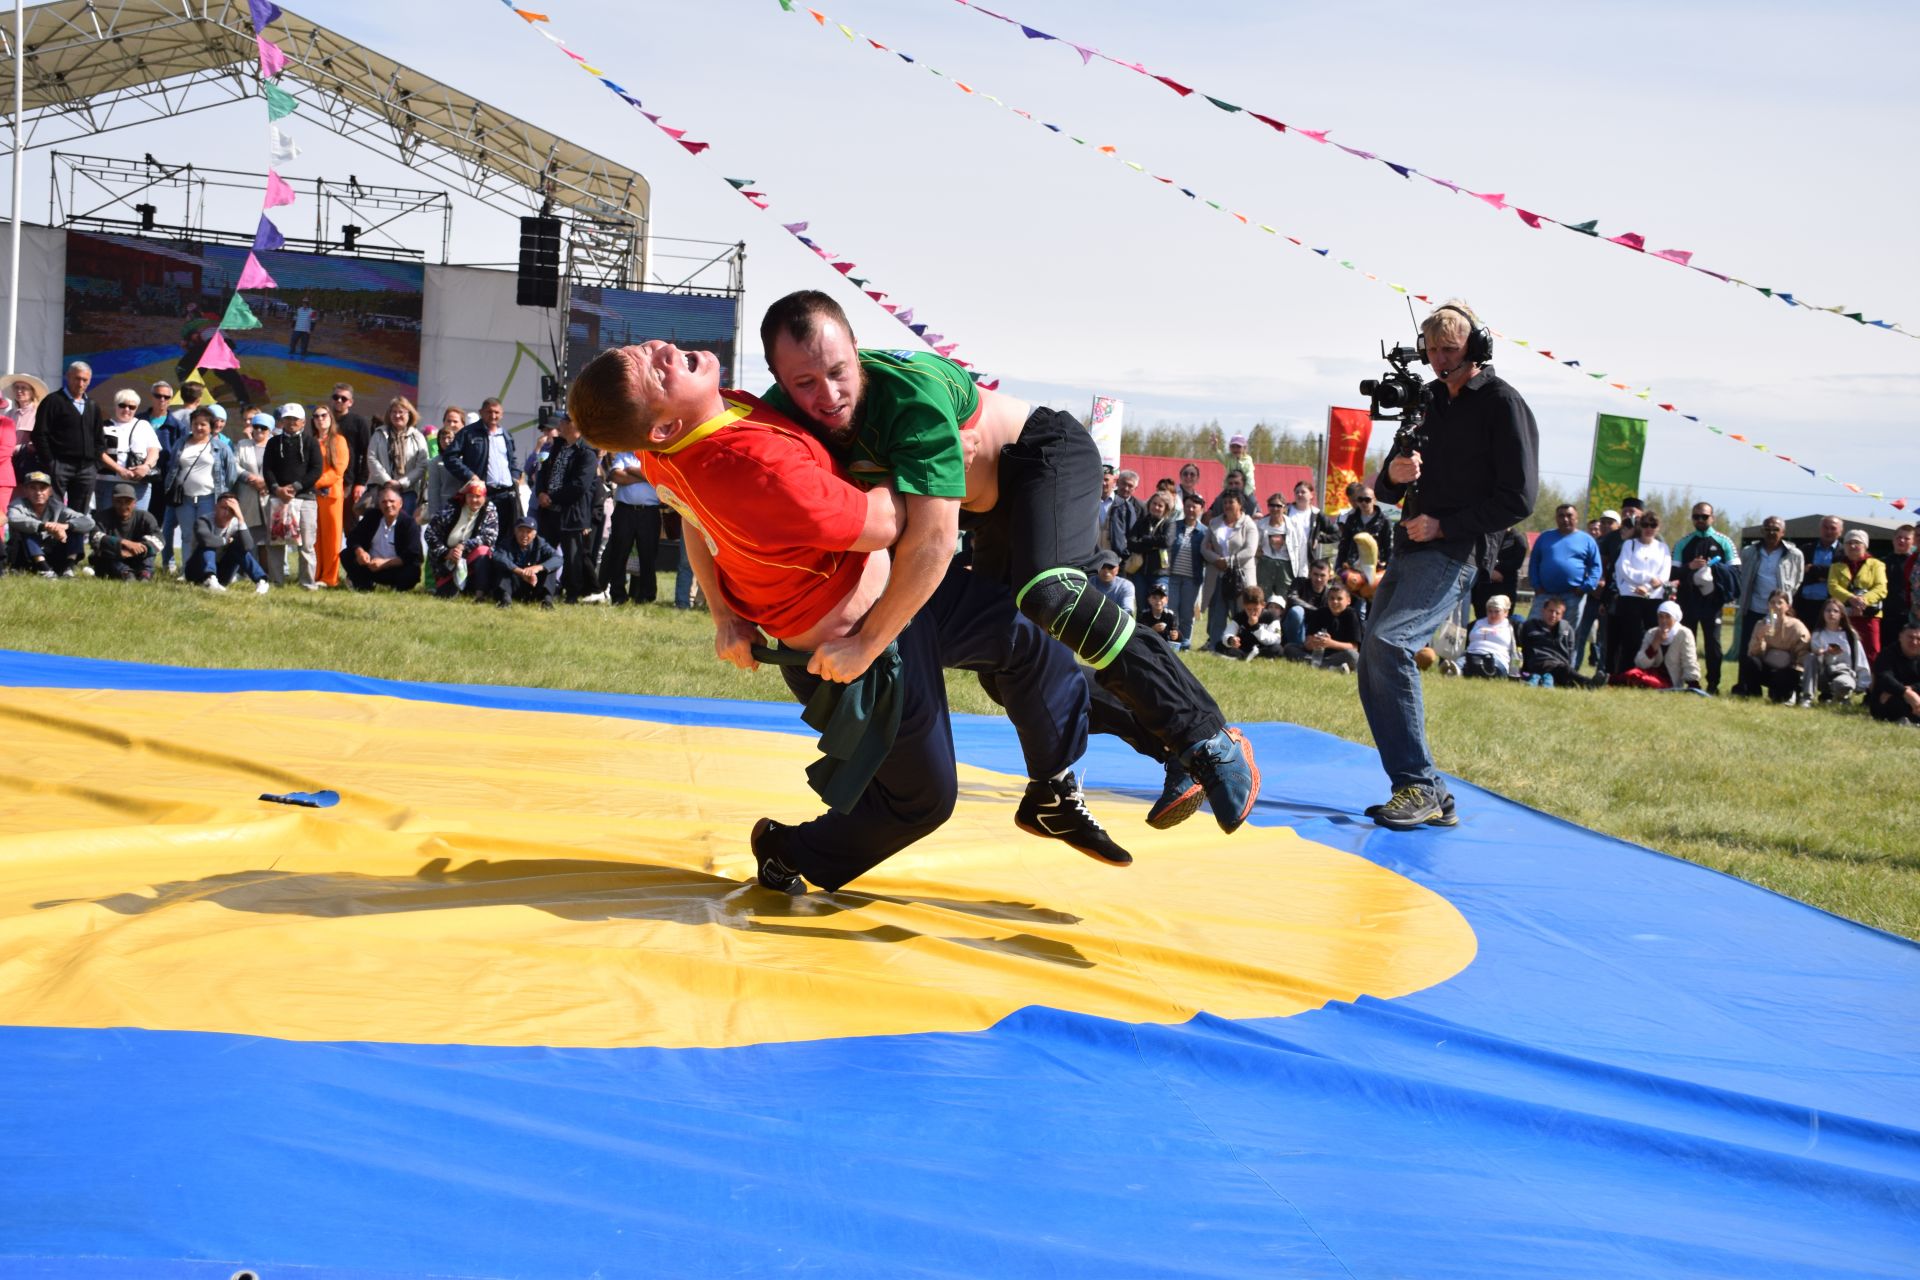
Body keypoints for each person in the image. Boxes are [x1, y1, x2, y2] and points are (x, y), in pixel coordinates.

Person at [569, 337, 1134, 889]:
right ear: (664, 425)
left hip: (895, 599)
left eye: (649, 349)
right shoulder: (752, 466)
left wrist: (722, 614)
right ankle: (786, 850)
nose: (666, 353)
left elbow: (691, 517)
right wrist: (925, 450)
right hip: (854, 648)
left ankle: (1053, 791)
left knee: (1029, 637)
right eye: (658, 373)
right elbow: (883, 523)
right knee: (921, 804)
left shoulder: (673, 441)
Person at [759, 291, 1257, 833]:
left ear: (857, 349)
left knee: (1053, 594)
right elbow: (708, 490)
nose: (829, 396)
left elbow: (931, 544)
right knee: (1016, 659)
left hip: (1042, 457)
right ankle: (1171, 747)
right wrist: (724, 612)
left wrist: (866, 642)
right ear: (779, 379)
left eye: (838, 371)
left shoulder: (908, 395)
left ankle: (1208, 737)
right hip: (985, 508)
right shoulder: (775, 418)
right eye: (805, 383)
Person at [1361, 300, 1538, 829]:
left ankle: (1417, 787)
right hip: (1412, 542)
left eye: (1449, 349)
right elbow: (1386, 487)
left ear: (1476, 348)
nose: (1439, 360)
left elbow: (1520, 499)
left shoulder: (1504, 404)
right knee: (1373, 655)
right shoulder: (1428, 400)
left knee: (1392, 644)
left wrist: (1445, 525)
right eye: (1432, 349)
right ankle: (1431, 791)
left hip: (1457, 547)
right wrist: (1393, 475)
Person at [1669, 501, 1739, 694]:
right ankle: (1689, 681)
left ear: (1712, 517)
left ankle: (1713, 685)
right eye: (1696, 516)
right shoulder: (1683, 542)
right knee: (1685, 641)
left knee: (1713, 645)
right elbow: (1671, 573)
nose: (1700, 520)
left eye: (1704, 516)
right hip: (1687, 601)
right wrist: (1689, 568)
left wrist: (1714, 567)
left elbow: (1736, 571)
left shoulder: (1724, 541)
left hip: (1713, 602)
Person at [1733, 516, 1804, 694]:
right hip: (1754, 608)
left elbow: (1797, 580)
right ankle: (1747, 687)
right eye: (1768, 529)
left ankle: (1778, 688)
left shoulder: (1794, 554)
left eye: (1775, 529)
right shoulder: (1750, 551)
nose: (1771, 533)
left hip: (1778, 612)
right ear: (1762, 531)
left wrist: (1781, 603)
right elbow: (1742, 575)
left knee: (1776, 649)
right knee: (1749, 650)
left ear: (1783, 532)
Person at [533, 409, 599, 603]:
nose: (559, 426)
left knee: (573, 558)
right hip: (549, 511)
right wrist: (540, 493)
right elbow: (542, 473)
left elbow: (579, 486)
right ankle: (544, 592)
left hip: (571, 514)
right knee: (546, 551)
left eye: (563, 422)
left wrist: (552, 497)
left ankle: (572, 594)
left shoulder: (587, 453)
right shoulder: (556, 447)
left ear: (574, 425)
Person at [165, 405, 235, 574]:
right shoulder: (181, 444)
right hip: (185, 499)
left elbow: (231, 474)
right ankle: (187, 571)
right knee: (187, 536)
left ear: (211, 427)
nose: (199, 427)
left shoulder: (221, 447)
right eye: (195, 423)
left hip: (209, 498)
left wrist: (224, 496)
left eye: (203, 424)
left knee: (206, 536)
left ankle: (207, 571)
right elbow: (172, 467)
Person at [263, 402, 321, 589]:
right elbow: (268, 469)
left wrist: (296, 487)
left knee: (306, 544)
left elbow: (316, 469)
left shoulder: (311, 442)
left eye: (295, 419)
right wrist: (277, 489)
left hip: (306, 499)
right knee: (276, 542)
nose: (291, 422)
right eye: (287, 418)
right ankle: (276, 581)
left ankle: (307, 583)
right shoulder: (273, 442)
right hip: (278, 498)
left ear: (303, 421)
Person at [1608, 510, 1672, 679]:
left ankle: (1650, 672)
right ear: (1639, 526)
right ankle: (1626, 673)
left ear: (1658, 527)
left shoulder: (1662, 548)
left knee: (1652, 636)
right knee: (1631, 638)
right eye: (1645, 524)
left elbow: (1664, 575)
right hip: (1630, 596)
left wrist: (1648, 588)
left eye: (1653, 525)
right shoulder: (1630, 545)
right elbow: (1624, 569)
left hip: (1653, 598)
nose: (1649, 528)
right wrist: (1646, 580)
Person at [443, 397, 520, 532]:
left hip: (505, 495)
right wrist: (470, 476)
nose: (493, 416)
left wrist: (515, 476)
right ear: (481, 412)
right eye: (489, 412)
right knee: (481, 534)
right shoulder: (468, 433)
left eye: (496, 412)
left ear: (502, 414)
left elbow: (512, 459)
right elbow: (450, 457)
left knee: (504, 536)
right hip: (482, 494)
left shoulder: (506, 435)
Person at [1525, 503, 1601, 641]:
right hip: (1545, 594)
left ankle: (1565, 663)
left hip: (1573, 595)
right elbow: (1534, 563)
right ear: (1556, 518)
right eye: (1561, 516)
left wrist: (1585, 587)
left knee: (1567, 636)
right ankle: (1532, 661)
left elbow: (1596, 567)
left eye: (1569, 515)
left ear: (1576, 518)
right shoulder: (1544, 537)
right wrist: (1536, 586)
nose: (1565, 519)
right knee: (1533, 630)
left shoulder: (1587, 540)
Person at [36, 360, 106, 508]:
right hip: (59, 465)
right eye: (77, 378)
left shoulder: (93, 405)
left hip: (86, 469)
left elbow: (99, 437)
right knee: (54, 509)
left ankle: (76, 533)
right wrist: (50, 462)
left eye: (85, 380)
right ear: (68, 376)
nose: (81, 383)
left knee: (79, 514)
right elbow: (40, 434)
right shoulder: (53, 401)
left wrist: (95, 464)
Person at [601, 445, 662, 605]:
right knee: (619, 553)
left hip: (649, 512)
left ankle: (646, 595)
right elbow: (616, 476)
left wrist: (630, 471)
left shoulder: (656, 456)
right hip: (624, 511)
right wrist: (646, 476)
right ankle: (618, 595)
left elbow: (659, 476)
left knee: (647, 555)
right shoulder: (624, 454)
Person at [1201, 491, 1258, 654]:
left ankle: (1243, 647)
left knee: (1241, 613)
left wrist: (1228, 562)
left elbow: (1250, 551)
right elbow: (1204, 548)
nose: (1226, 506)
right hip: (1218, 575)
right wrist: (1215, 559)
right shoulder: (1214, 523)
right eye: (1224, 503)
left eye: (1230, 502)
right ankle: (1215, 646)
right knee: (1217, 611)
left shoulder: (1248, 524)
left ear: (1240, 504)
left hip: (1241, 577)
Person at [424, 477, 500, 598]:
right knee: (445, 596)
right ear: (465, 496)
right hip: (447, 559)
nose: (474, 500)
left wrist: (464, 546)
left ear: (484, 497)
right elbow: (429, 533)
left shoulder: (489, 509)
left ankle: (480, 594)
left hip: (469, 555)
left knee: (484, 551)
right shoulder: (451, 508)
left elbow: (490, 537)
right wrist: (446, 552)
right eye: (470, 496)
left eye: (478, 496)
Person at [7, 470, 92, 575]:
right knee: (26, 529)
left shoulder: (58, 506)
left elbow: (88, 522)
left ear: (50, 491)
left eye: (43, 488)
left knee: (76, 528)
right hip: (26, 557)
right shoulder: (17, 504)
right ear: (25, 490)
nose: (38, 493)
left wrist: (65, 526)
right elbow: (13, 518)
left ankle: (68, 568)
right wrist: (44, 526)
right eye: (33, 488)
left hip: (53, 552)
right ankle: (44, 569)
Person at [345, 482, 424, 592]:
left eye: (392, 501)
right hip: (370, 565)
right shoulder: (371, 517)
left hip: (395, 568)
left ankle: (396, 588)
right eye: (384, 502)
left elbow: (413, 555)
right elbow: (353, 538)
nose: (388, 505)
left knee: (412, 571)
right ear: (379, 504)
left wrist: (385, 563)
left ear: (400, 503)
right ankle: (364, 585)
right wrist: (360, 552)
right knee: (347, 555)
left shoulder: (409, 523)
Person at [186, 493, 270, 594]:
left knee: (239, 548)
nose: (226, 512)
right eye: (223, 508)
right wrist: (226, 541)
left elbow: (248, 546)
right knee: (209, 545)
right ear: (215, 507)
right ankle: (210, 579)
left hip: (222, 575)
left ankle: (261, 580)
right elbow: (206, 541)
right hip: (196, 571)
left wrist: (240, 518)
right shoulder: (203, 521)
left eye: (231, 510)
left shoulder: (236, 524)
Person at [1614, 600, 1703, 692]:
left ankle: (1614, 680)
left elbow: (1689, 660)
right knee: (1632, 674)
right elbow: (1640, 663)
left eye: (1668, 617)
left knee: (1647, 681)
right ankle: (1608, 680)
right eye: (1661, 617)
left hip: (1670, 679)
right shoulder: (1652, 633)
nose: (1664, 620)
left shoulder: (1684, 634)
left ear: (1675, 618)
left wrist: (1693, 683)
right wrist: (1655, 642)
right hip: (1650, 673)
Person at [1828, 528, 1887, 667]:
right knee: (1842, 648)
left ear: (1865, 545)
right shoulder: (1836, 566)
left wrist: (1862, 601)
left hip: (1869, 615)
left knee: (1872, 649)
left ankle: (1871, 682)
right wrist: (1850, 599)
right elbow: (1832, 587)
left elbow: (1881, 588)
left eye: (1856, 542)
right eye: (1848, 543)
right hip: (1844, 614)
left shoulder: (1877, 565)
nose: (1852, 546)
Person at [310, 399, 352, 587]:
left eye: (324, 415)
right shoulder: (310, 441)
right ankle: (315, 573)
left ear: (330, 418)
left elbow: (339, 470)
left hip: (331, 495)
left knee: (332, 538)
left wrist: (314, 482)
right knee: (314, 537)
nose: (320, 419)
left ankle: (330, 577)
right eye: (316, 416)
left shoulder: (338, 440)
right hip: (312, 495)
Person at [96, 389, 161, 513]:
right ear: (116, 405)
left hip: (138, 483)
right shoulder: (104, 426)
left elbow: (154, 450)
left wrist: (146, 467)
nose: (127, 410)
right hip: (108, 483)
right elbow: (99, 453)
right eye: (122, 405)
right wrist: (120, 470)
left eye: (131, 407)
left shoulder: (144, 425)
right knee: (106, 522)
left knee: (138, 522)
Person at [365, 396, 430, 517]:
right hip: (382, 489)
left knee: (404, 528)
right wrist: (387, 481)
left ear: (409, 414)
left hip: (408, 492)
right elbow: (371, 458)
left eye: (401, 412)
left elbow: (422, 464)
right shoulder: (379, 434)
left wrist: (401, 483)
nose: (397, 415)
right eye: (393, 412)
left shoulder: (418, 436)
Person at [1743, 590, 1811, 704]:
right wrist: (1760, 637)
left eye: (1780, 603)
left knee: (1779, 697)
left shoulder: (1796, 627)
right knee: (1750, 662)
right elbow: (1753, 653)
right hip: (1767, 667)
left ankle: (1785, 693)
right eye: (1772, 602)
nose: (1776, 606)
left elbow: (1803, 655)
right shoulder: (1761, 624)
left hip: (1787, 671)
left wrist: (1795, 671)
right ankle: (1754, 695)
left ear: (1787, 606)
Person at [1801, 597, 1869, 707]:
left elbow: (1860, 659)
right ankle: (1807, 697)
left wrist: (1863, 683)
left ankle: (1840, 698)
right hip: (1823, 672)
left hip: (1844, 672)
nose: (1831, 614)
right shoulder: (1818, 634)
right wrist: (1824, 652)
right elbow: (1814, 657)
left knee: (1842, 684)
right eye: (1828, 611)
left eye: (1835, 611)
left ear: (1841, 614)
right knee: (1810, 657)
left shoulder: (1849, 636)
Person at [89, 482, 163, 580]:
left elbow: (160, 539)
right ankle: (126, 574)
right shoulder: (101, 517)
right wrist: (124, 543)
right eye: (119, 501)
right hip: (114, 559)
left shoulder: (145, 517)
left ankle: (145, 574)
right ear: (112, 501)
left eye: (128, 501)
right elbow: (95, 537)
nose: (123, 506)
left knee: (150, 550)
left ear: (135, 502)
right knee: (103, 552)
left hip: (138, 557)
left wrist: (136, 549)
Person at [1165, 492, 1208, 650]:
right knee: (1172, 610)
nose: (1190, 509)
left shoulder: (1204, 531)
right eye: (1188, 506)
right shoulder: (1174, 525)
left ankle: (1185, 642)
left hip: (1192, 578)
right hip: (1173, 576)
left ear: (1201, 509)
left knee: (1187, 612)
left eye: (1194, 507)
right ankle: (1172, 641)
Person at [492, 515, 563, 609]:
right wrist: (520, 572)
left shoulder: (541, 543)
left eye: (528, 532)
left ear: (534, 535)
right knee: (503, 568)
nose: (524, 535)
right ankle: (505, 600)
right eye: (521, 531)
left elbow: (558, 558)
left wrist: (538, 568)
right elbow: (498, 557)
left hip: (534, 584)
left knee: (549, 569)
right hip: (514, 585)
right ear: (515, 531)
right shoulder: (507, 543)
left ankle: (547, 602)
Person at [326, 383, 373, 511]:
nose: (339, 401)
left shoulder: (358, 422)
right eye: (336, 397)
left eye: (344, 398)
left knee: (347, 523)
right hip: (324, 479)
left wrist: (361, 483)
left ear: (350, 402)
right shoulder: (324, 420)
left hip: (348, 481)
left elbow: (367, 453)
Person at [1296, 581, 1363, 671]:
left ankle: (1320, 666)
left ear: (1348, 601)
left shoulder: (1351, 615)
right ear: (1327, 600)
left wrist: (1330, 643)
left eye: (1339, 599)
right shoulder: (1320, 613)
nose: (1335, 602)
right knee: (1290, 648)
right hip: (1319, 654)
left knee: (1353, 656)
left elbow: (1354, 648)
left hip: (1340, 655)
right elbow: (1307, 643)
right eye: (1331, 598)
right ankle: (1331, 668)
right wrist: (1315, 642)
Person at [1795, 514, 1845, 632]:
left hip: (1828, 607)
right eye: (1825, 527)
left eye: (1833, 528)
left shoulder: (1844, 554)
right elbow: (1798, 575)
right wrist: (1824, 576)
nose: (1828, 531)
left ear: (1840, 531)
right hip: (1804, 605)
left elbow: (1840, 577)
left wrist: (1812, 570)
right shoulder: (1805, 549)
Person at [1516, 595, 1579, 687]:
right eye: (1551, 611)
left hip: (1559, 667)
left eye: (1557, 613)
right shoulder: (1530, 626)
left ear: (1562, 616)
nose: (1553, 615)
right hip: (1536, 664)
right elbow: (1519, 648)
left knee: (1565, 672)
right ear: (1543, 611)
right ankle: (1589, 683)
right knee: (1565, 671)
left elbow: (1570, 653)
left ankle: (1588, 682)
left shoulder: (1568, 630)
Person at [1868, 620, 1920, 726]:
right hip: (1888, 700)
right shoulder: (1887, 654)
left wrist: (1910, 690)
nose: (1914, 642)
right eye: (1910, 637)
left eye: (1918, 639)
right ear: (1900, 636)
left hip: (1913, 697)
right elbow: (1884, 678)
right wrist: (1905, 693)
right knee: (1893, 701)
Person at [1333, 486, 1392, 580]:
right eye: (1360, 500)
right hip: (1353, 568)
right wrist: (1338, 566)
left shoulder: (1384, 520)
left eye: (1367, 499)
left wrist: (1388, 569)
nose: (1363, 503)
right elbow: (1344, 544)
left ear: (1374, 500)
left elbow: (1388, 547)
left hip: (1376, 569)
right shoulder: (1351, 519)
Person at [1128, 489, 1175, 605]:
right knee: (1141, 607)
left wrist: (1144, 539)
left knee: (1159, 606)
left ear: (1166, 509)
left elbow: (1166, 541)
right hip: (1140, 572)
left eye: (1160, 505)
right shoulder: (1140, 523)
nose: (1156, 507)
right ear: (1149, 504)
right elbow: (1132, 543)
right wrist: (1153, 546)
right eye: (1154, 503)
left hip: (1160, 573)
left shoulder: (1169, 524)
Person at [1219, 584, 1284, 660]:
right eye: (1249, 609)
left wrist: (1256, 627)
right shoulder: (1240, 616)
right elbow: (1228, 633)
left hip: (1262, 648)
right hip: (1244, 647)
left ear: (1263, 605)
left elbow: (1276, 639)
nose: (1252, 612)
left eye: (1256, 609)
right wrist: (1231, 640)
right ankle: (1245, 656)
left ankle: (1251, 657)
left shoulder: (1271, 617)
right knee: (1220, 645)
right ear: (1244, 606)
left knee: (1277, 648)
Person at [1463, 594, 1519, 678]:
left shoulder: (1513, 627)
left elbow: (1519, 651)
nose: (1493, 615)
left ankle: (1481, 671)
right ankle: (1458, 669)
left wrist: (1516, 669)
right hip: (1471, 655)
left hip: (1497, 658)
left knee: (1491, 666)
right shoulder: (1475, 624)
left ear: (1506, 612)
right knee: (1461, 662)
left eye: (1497, 611)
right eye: (1490, 611)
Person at [1282, 559, 1333, 650]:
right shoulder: (1299, 582)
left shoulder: (1330, 594)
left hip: (1313, 630)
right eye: (1315, 574)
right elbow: (1292, 598)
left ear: (1329, 576)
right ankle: (1295, 647)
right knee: (1297, 611)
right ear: (1309, 574)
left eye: (1322, 575)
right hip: (1293, 626)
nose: (1318, 579)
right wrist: (1316, 611)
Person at [1252, 492, 1294, 599]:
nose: (1275, 508)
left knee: (1284, 596)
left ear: (1284, 508)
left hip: (1285, 564)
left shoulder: (1293, 525)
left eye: (1278, 506)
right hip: (1266, 563)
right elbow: (1254, 545)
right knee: (1263, 595)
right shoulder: (1261, 524)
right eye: (1271, 505)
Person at [425, 411, 465, 522]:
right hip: (445, 508)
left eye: (450, 438)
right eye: (443, 438)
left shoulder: (465, 458)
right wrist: (433, 515)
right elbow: (433, 489)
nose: (446, 441)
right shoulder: (434, 462)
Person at [1882, 524, 1915, 635]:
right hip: (1885, 614)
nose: (1902, 540)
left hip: (1908, 615)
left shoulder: (1915, 564)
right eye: (1899, 537)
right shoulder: (1882, 562)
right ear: (1893, 539)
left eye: (1906, 538)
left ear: (1913, 542)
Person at [1090, 549, 1136, 619]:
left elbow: (1128, 611)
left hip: (1117, 623)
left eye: (1110, 567)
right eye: (1103, 566)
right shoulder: (1089, 583)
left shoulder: (1126, 586)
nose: (1106, 571)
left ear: (1117, 569)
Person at [1137, 582, 1179, 647]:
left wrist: (1175, 635)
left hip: (1165, 646)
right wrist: (1152, 629)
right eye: (1154, 597)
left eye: (1161, 597)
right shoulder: (1144, 615)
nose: (1158, 601)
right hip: (1148, 645)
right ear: (1149, 600)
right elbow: (1139, 633)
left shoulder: (1170, 615)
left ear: (1166, 600)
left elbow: (1176, 632)